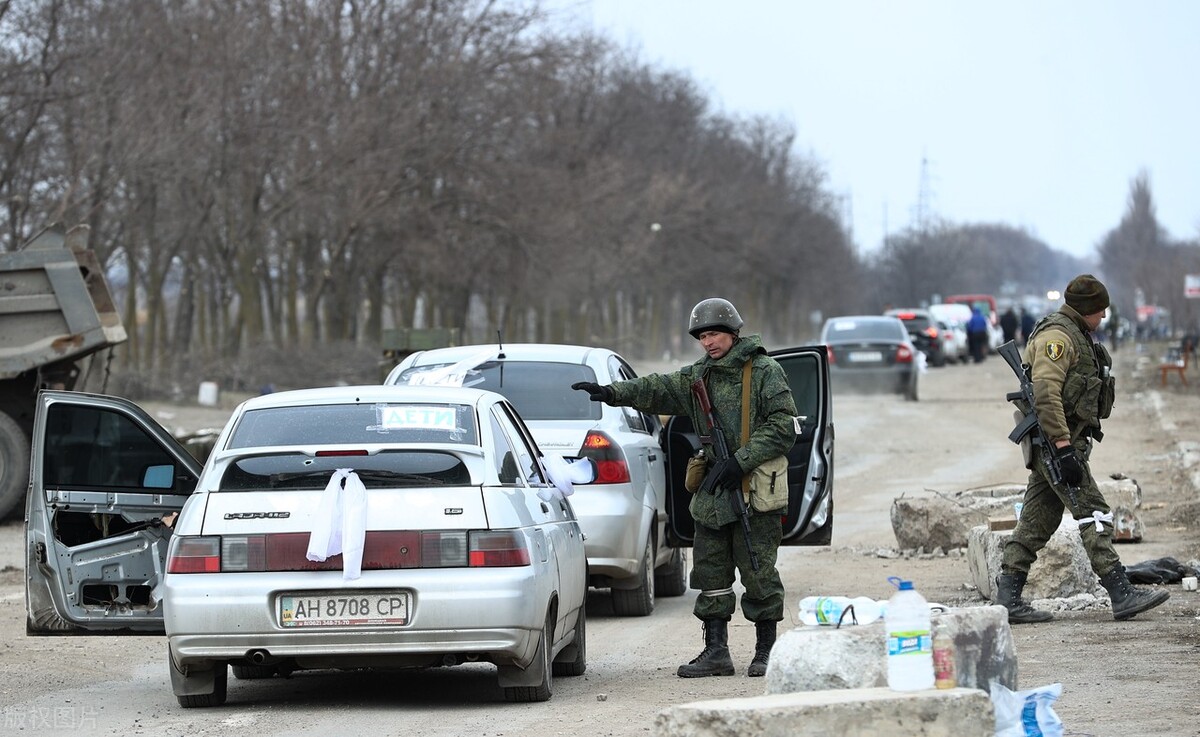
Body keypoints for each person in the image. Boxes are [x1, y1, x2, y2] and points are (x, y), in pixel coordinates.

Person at [571, 298, 797, 678]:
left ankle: (766, 651)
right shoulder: (697, 378)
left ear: (733, 332)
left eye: (714, 334)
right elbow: (656, 389)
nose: (709, 342)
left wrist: (739, 461)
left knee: (759, 573)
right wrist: (611, 393)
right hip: (713, 492)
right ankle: (716, 652)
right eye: (703, 336)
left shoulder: (764, 372)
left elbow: (784, 426)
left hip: (753, 490)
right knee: (710, 574)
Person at [995, 274, 1169, 624]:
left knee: (1035, 523)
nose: (1103, 316)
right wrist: (1062, 448)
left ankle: (1007, 600)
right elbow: (1044, 392)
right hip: (1056, 445)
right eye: (1100, 310)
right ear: (1086, 309)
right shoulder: (1057, 338)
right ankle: (1121, 592)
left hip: (1062, 444)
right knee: (1095, 513)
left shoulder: (1077, 335)